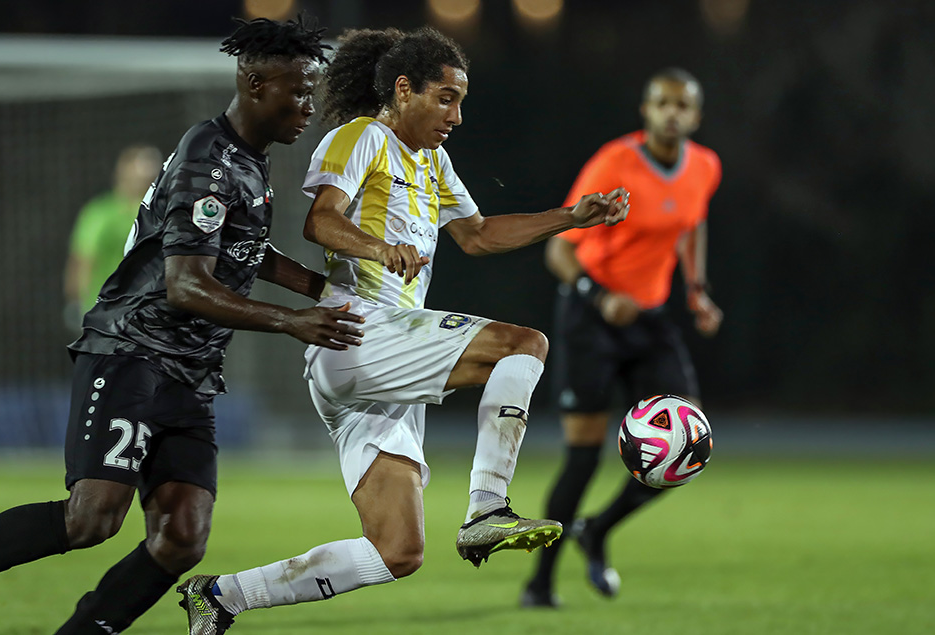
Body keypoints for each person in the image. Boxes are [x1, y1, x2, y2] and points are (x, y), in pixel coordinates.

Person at [0, 14, 354, 635]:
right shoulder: (209, 155)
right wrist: (293, 320)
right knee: (91, 518)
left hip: (191, 370)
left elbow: (243, 253)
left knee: (182, 536)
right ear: (256, 84)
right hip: (134, 352)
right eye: (300, 90)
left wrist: (324, 286)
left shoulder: (249, 163)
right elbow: (185, 283)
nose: (310, 104)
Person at [177, 27, 629, 634]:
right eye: (445, 98)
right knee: (523, 345)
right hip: (360, 330)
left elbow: (479, 235)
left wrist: (569, 218)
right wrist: (377, 247)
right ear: (402, 89)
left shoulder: (432, 160)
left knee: (397, 552)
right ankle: (487, 506)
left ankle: (220, 597)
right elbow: (320, 221)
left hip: (378, 362)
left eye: (460, 101)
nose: (457, 115)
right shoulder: (364, 137)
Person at [521, 67, 723, 608]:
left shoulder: (704, 166)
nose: (672, 113)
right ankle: (539, 585)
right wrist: (599, 295)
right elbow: (558, 249)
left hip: (649, 321)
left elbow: (692, 223)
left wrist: (697, 289)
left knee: (689, 446)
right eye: (663, 103)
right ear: (646, 110)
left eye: (683, 105)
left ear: (696, 117)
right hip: (591, 317)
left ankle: (599, 529)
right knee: (583, 458)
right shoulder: (616, 163)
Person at [63, 145, 162, 327]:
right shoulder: (100, 214)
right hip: (106, 314)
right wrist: (77, 304)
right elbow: (82, 261)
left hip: (151, 313)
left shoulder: (163, 214)